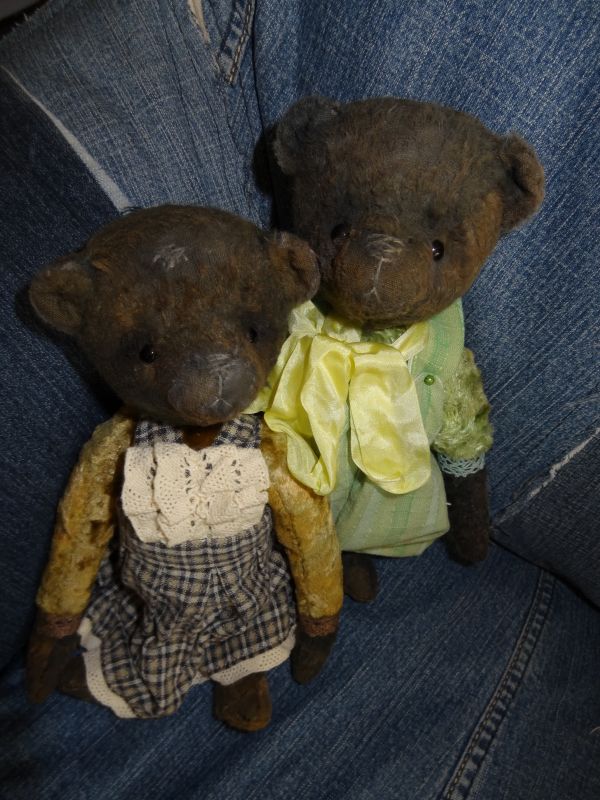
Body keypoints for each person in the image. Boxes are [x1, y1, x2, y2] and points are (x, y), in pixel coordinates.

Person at [0, 2, 598, 798]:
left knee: (281, 603)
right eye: (342, 233)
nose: (377, 270)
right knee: (166, 621)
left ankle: (258, 664)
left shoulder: (425, 357)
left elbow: (452, 437)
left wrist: (361, 587)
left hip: (348, 527)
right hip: (163, 587)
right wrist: (57, 617)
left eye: (432, 248)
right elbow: (83, 526)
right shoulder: (216, 402)